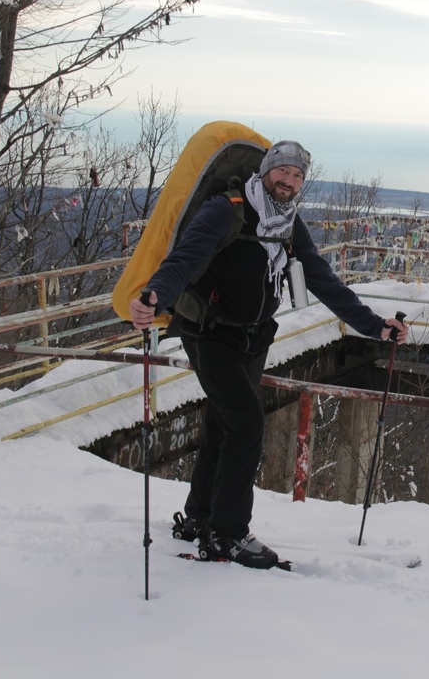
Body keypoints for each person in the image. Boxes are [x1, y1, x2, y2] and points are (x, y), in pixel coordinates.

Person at [128, 140, 408, 569]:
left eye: (297, 176)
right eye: (283, 171)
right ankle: (229, 533)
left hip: (255, 337)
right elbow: (186, 259)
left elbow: (323, 281)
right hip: (211, 335)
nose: (289, 181)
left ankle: (200, 518)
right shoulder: (227, 210)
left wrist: (375, 326)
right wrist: (155, 296)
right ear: (265, 171)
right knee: (246, 423)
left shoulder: (289, 225)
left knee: (223, 423)